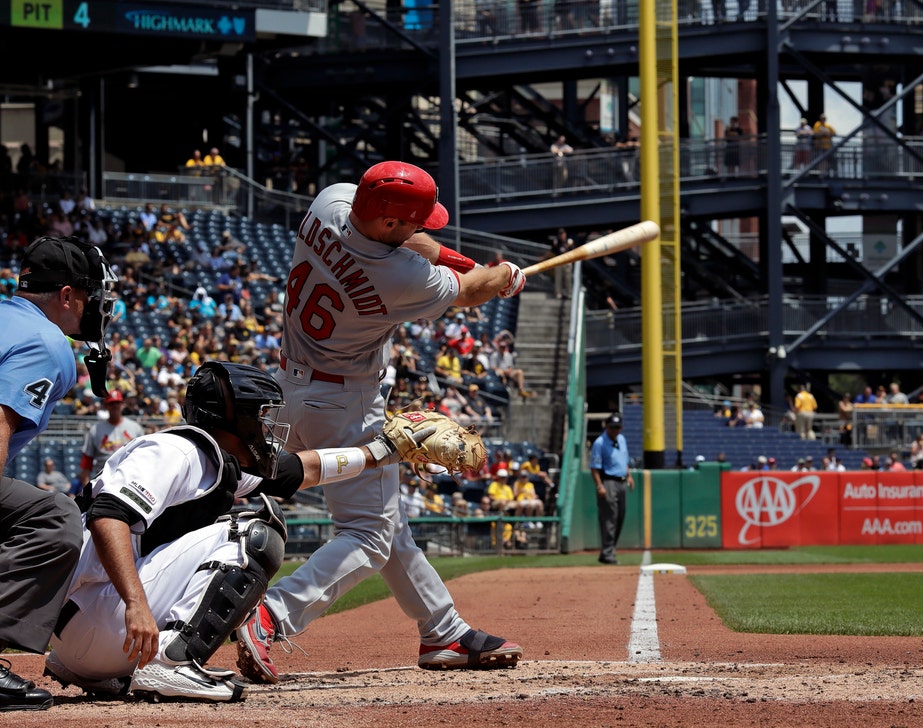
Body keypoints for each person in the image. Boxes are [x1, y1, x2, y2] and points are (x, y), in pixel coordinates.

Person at [234, 161, 525, 685]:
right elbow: (474, 289)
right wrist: (504, 275)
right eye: (414, 221)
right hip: (345, 405)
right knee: (369, 533)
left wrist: (467, 261)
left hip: (285, 392)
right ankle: (271, 613)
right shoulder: (399, 277)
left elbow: (410, 244)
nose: (419, 229)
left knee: (386, 522)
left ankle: (443, 629)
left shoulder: (331, 202)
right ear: (391, 224)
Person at [42, 361, 419, 702]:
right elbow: (107, 516)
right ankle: (172, 662)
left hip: (92, 635)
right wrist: (136, 604)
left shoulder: (212, 462)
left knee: (244, 524)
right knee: (256, 532)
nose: (267, 427)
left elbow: (301, 470)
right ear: (231, 418)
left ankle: (108, 666)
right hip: (103, 615)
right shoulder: (174, 451)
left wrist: (382, 451)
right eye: (258, 416)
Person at [1, 235, 118, 711]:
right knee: (54, 516)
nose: (96, 309)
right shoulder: (48, 341)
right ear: (67, 296)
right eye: (90, 297)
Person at [589, 412, 634, 565]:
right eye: (612, 427)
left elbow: (624, 460)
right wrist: (599, 485)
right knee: (609, 518)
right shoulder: (599, 443)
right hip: (608, 481)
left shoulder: (622, 439)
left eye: (618, 427)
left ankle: (608, 551)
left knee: (620, 517)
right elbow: (594, 468)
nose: (615, 430)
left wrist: (629, 475)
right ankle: (608, 553)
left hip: (622, 482)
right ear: (606, 427)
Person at [78, 389, 145, 486]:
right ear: (105, 406)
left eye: (117, 403)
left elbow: (143, 458)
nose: (115, 406)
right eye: (111, 403)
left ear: (123, 405)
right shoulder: (95, 430)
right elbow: (86, 463)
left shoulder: (135, 428)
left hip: (130, 480)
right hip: (103, 481)